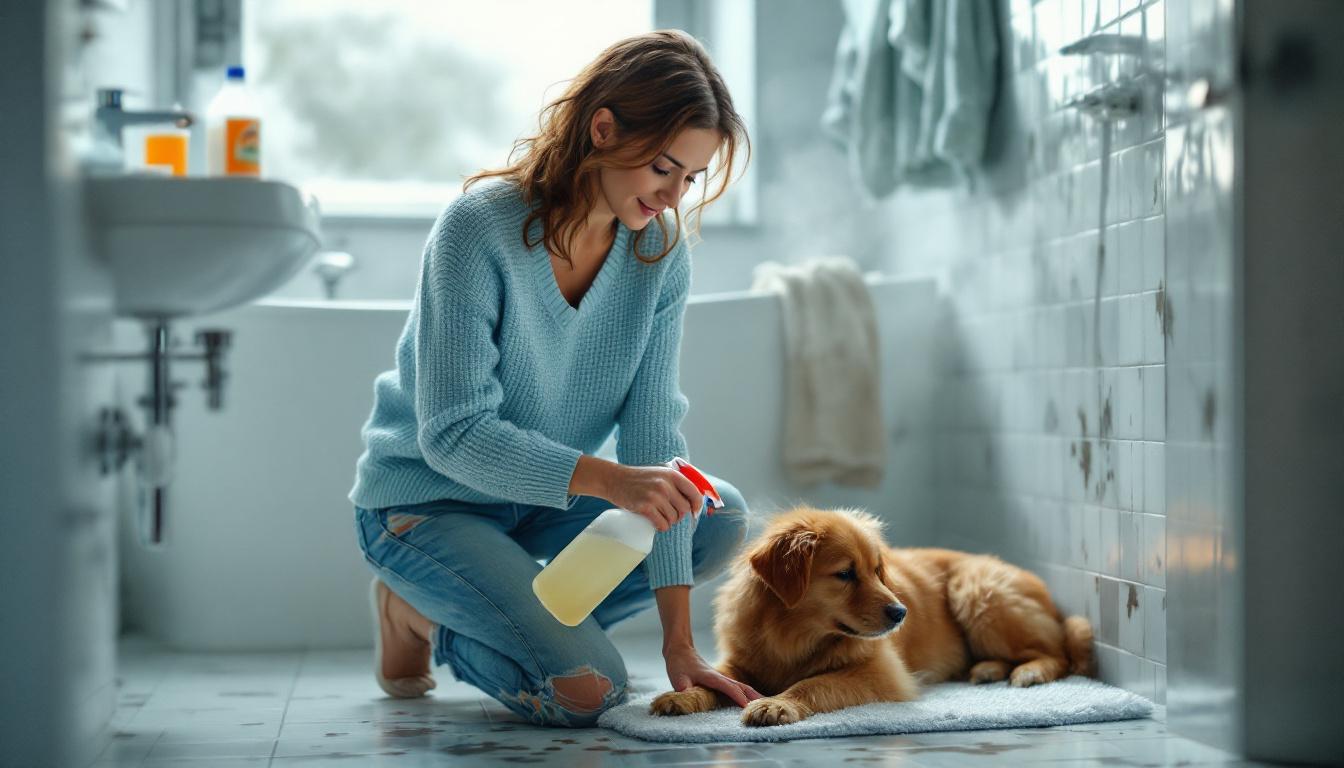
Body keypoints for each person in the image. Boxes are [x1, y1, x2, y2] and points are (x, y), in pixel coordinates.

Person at [348, 29, 758, 727]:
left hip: (541, 504)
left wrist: (680, 644)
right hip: (427, 502)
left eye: (689, 178)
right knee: (589, 692)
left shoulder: (658, 253)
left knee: (715, 514)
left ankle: (509, 604)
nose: (673, 195)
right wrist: (610, 481)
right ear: (603, 129)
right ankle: (418, 616)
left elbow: (654, 436)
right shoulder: (477, 228)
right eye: (664, 168)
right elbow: (452, 436)